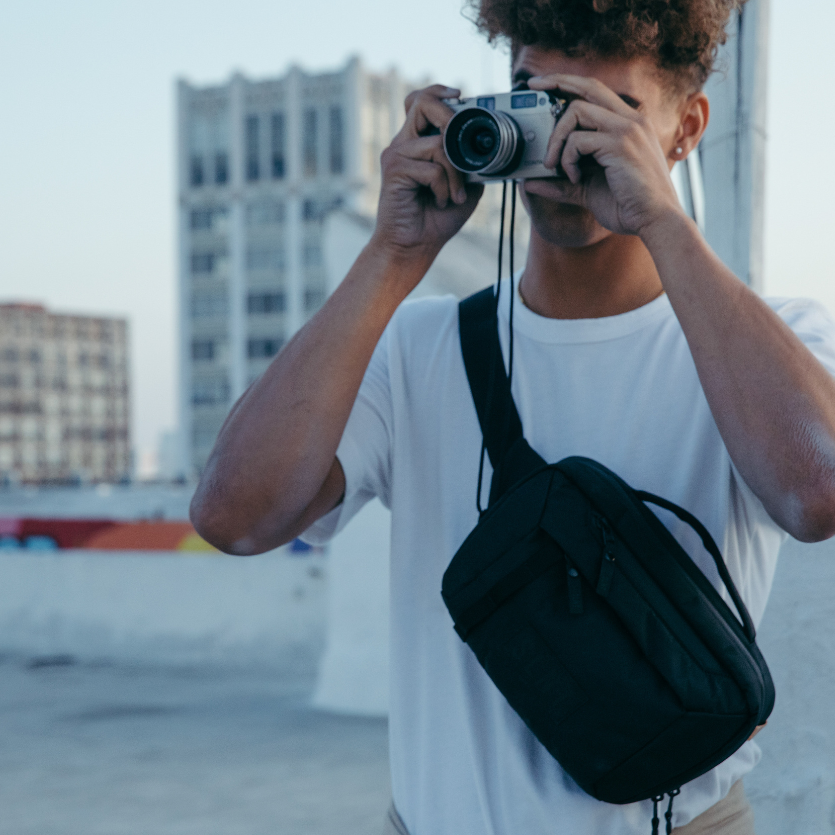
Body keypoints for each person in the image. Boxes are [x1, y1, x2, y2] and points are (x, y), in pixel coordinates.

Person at [190, 0, 835, 832]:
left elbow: (817, 491)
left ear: (686, 128)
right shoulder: (416, 346)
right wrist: (394, 254)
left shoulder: (771, 341)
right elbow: (233, 516)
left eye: (608, 113)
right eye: (537, 100)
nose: (565, 147)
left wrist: (661, 221)